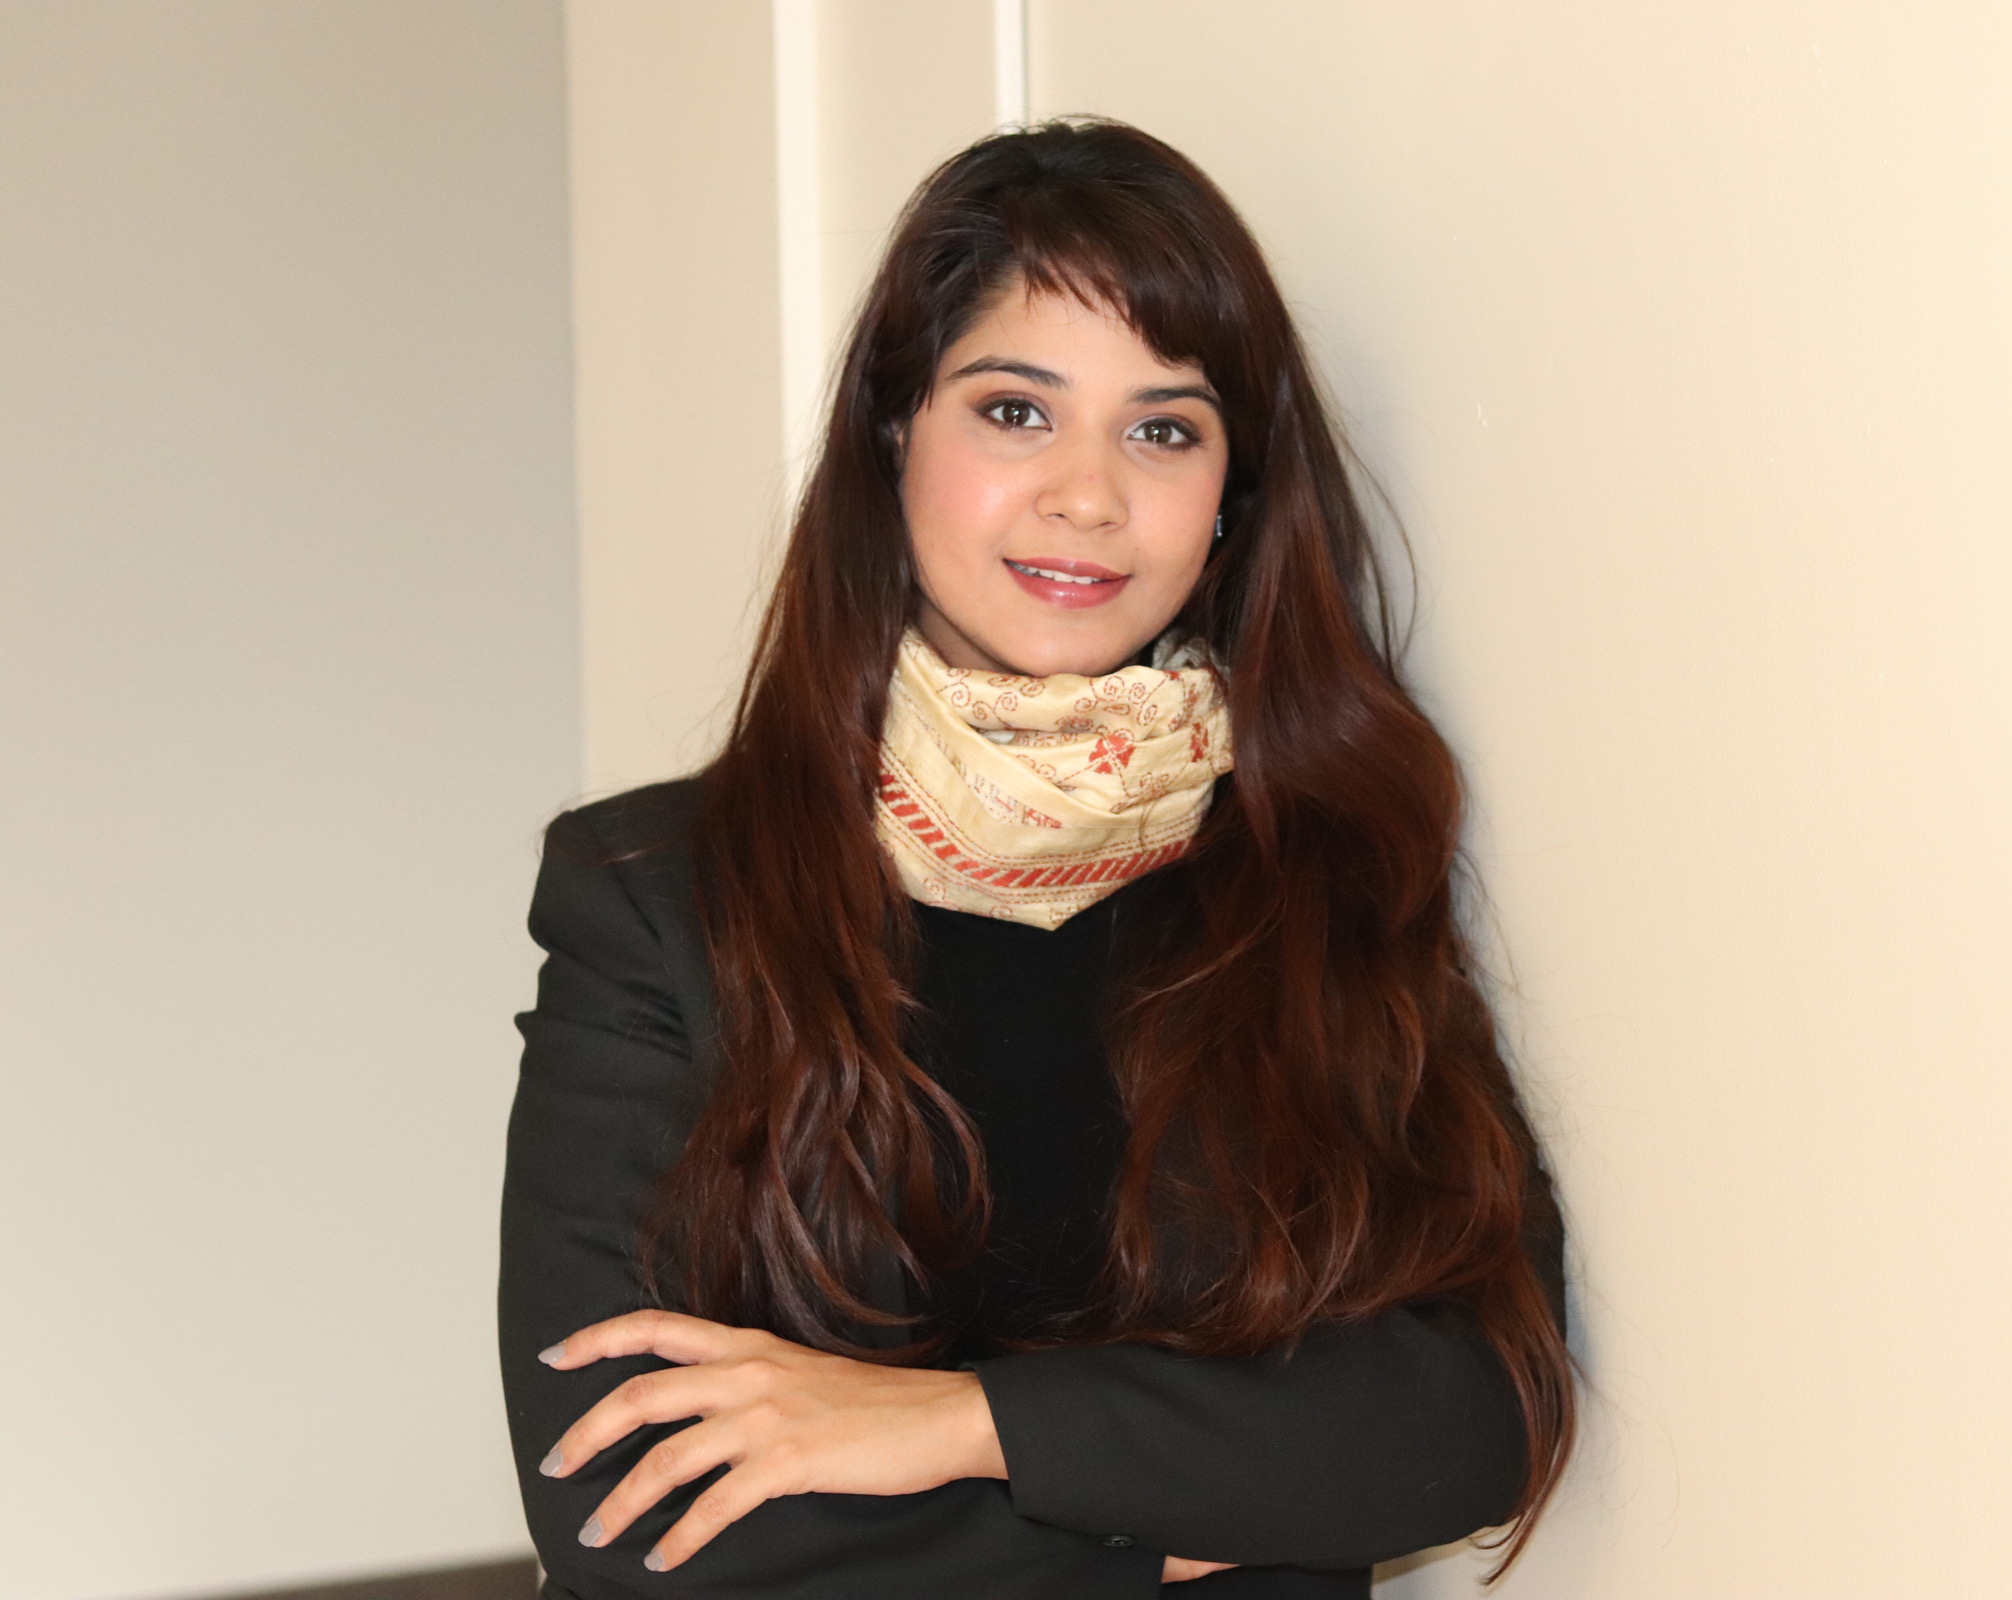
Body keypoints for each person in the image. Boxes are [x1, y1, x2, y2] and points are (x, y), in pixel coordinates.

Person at [499, 119, 1574, 1599]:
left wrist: (961, 1425)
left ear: (1234, 494)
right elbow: (619, 1502)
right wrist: (1197, 1522)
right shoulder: (655, 893)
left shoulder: (1328, 864)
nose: (1088, 495)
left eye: (1163, 429)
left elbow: (1481, 1406)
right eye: (1016, 411)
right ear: (895, 434)